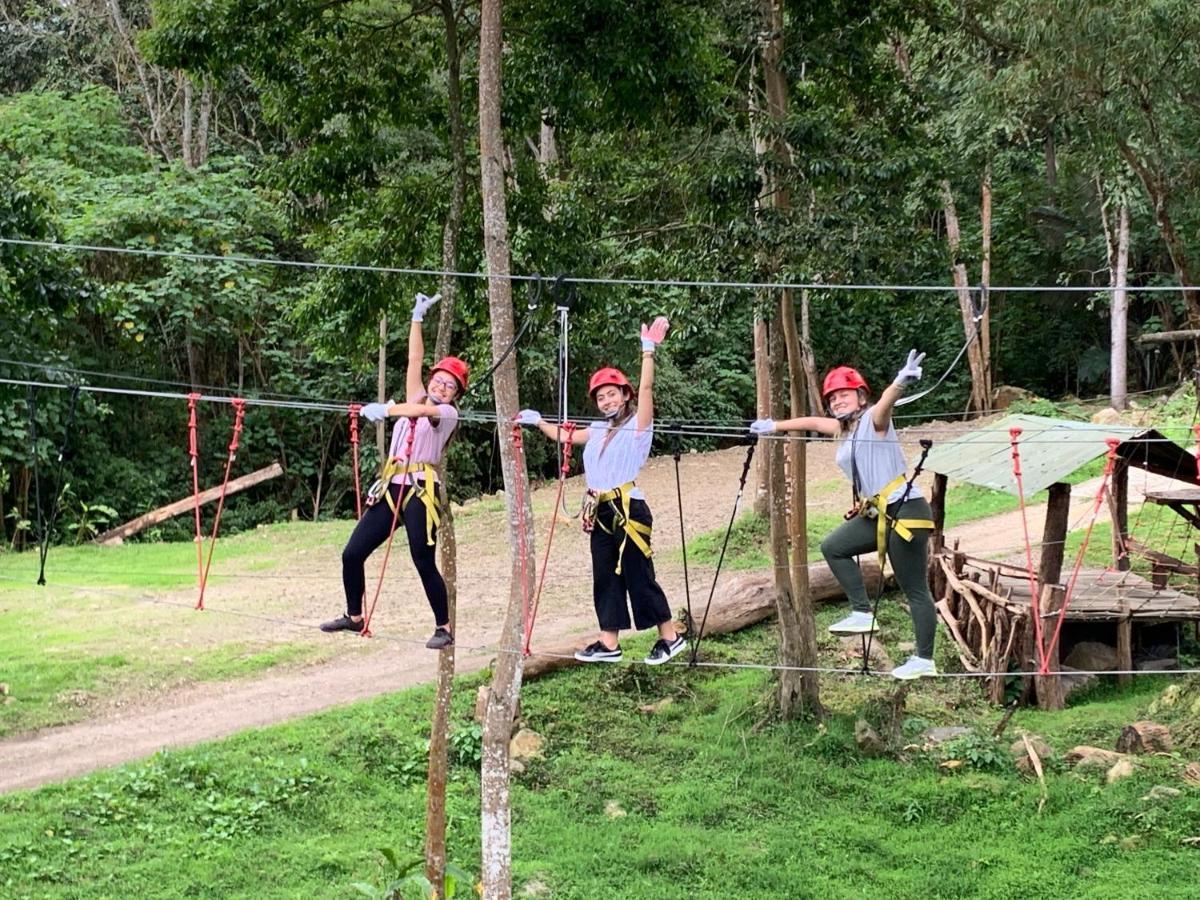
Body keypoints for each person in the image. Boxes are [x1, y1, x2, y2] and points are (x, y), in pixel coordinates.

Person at [749, 350, 938, 680]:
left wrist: (899, 381)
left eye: (844, 394)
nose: (837, 401)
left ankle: (924, 659)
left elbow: (885, 405)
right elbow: (810, 422)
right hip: (877, 512)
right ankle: (862, 612)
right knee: (833, 547)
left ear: (861, 396)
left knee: (915, 589)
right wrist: (773, 426)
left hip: (905, 510)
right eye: (833, 397)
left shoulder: (873, 421)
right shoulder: (844, 430)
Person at [515, 316, 687, 665]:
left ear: (626, 395)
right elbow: (565, 436)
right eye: (601, 397)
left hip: (628, 508)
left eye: (612, 394)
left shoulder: (640, 425)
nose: (607, 400)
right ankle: (610, 643)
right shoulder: (596, 430)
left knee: (639, 573)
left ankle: (670, 637)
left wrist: (648, 353)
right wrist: (538, 422)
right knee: (605, 576)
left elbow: (648, 390)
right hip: (601, 511)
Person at [320, 292, 467, 650]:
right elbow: (414, 360)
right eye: (439, 381)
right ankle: (354, 616)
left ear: (455, 395)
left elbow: (419, 414)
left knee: (422, 558)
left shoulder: (446, 415)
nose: (441, 388)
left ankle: (443, 627)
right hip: (392, 485)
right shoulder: (416, 397)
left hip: (421, 489)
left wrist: (388, 411)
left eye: (450, 386)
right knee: (352, 553)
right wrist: (417, 319)